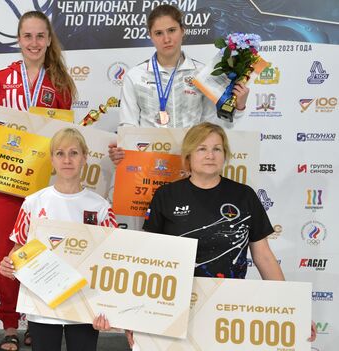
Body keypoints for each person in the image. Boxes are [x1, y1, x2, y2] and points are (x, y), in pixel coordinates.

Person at [127, 121, 316, 346]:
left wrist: (292, 309)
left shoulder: (244, 196)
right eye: (202, 148)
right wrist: (135, 317)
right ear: (188, 155)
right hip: (174, 306)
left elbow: (264, 256)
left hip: (229, 307)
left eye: (217, 148)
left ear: (225, 155)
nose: (210, 155)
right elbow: (150, 260)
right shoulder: (167, 195)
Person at [0, 10, 76, 351]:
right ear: (19, 39)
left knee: (44, 248)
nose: (33, 42)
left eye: (40, 36)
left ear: (48, 39)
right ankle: (10, 323)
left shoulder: (59, 81)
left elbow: (66, 133)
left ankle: (37, 321)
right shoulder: (0, 78)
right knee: (5, 250)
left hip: (46, 183)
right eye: (27, 36)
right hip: (8, 179)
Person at [0, 128, 117, 351]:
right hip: (42, 306)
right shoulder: (33, 202)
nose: (67, 160)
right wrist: (9, 264)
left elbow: (110, 259)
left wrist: (107, 306)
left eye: (74, 153)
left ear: (85, 157)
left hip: (84, 305)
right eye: (60, 153)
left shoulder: (100, 206)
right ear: (52, 159)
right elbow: (18, 250)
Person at [108, 4, 249, 165]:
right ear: (150, 36)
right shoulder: (135, 76)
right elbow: (128, 126)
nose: (166, 39)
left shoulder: (202, 74)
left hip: (191, 163)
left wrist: (238, 108)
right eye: (159, 33)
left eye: (172, 30)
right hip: (149, 164)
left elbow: (213, 126)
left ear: (183, 30)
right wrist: (122, 151)